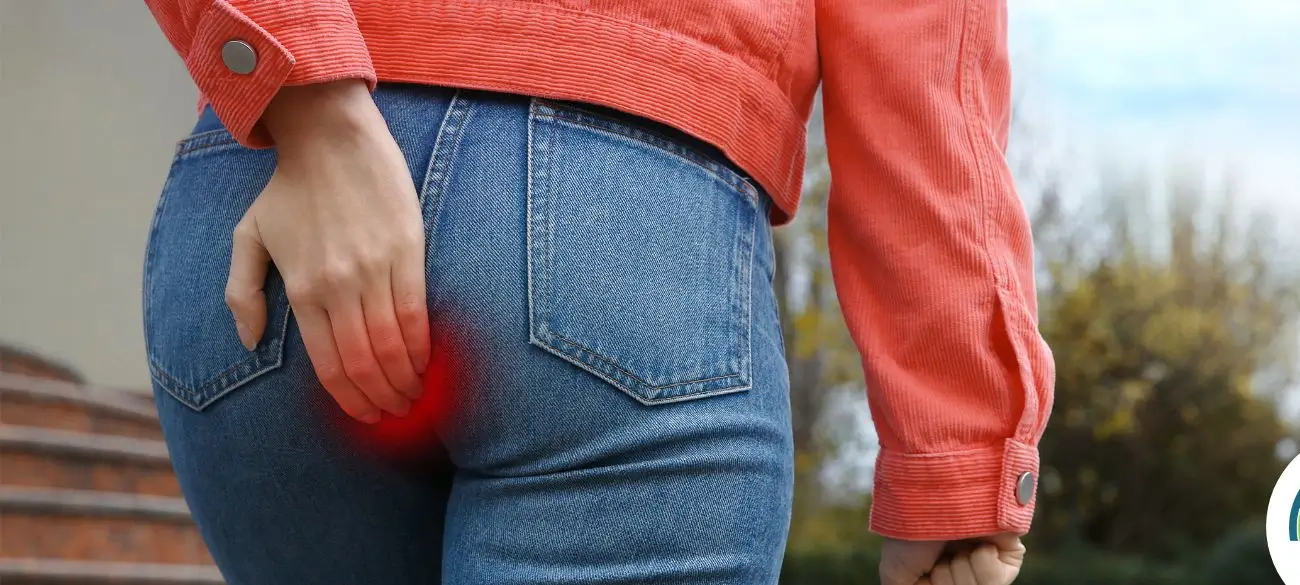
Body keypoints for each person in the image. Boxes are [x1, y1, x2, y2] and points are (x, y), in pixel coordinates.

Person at [140, 1, 1054, 584]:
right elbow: (926, 55)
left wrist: (308, 99)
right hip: (624, 219)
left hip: (276, 220)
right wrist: (960, 454)